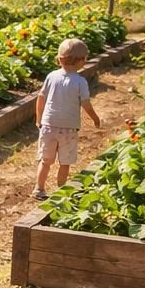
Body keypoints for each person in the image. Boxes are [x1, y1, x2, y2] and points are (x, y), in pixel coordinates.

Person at [33, 38, 102, 199]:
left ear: (60, 59)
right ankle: (61, 191)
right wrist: (95, 118)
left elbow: (40, 98)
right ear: (82, 61)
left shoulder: (52, 76)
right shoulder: (80, 81)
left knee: (45, 160)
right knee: (65, 162)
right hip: (69, 128)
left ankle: (39, 189)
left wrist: (39, 119)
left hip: (48, 125)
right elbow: (86, 104)